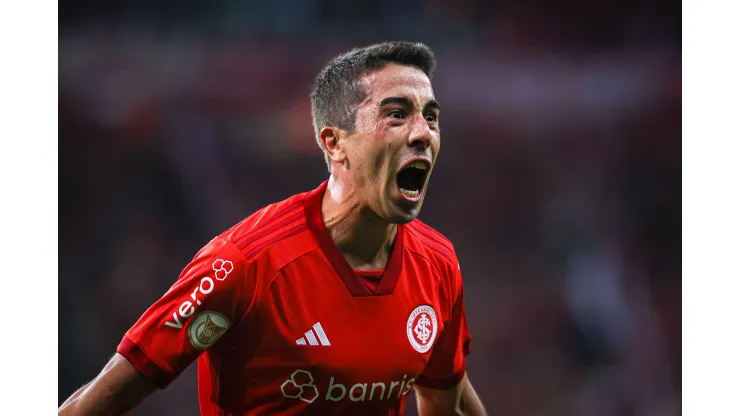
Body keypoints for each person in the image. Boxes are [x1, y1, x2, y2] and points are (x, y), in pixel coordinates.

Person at [59, 41, 486, 416]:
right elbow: (98, 405)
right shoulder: (244, 263)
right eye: (396, 114)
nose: (422, 133)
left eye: (430, 117)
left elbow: (447, 397)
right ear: (334, 143)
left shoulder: (438, 263)